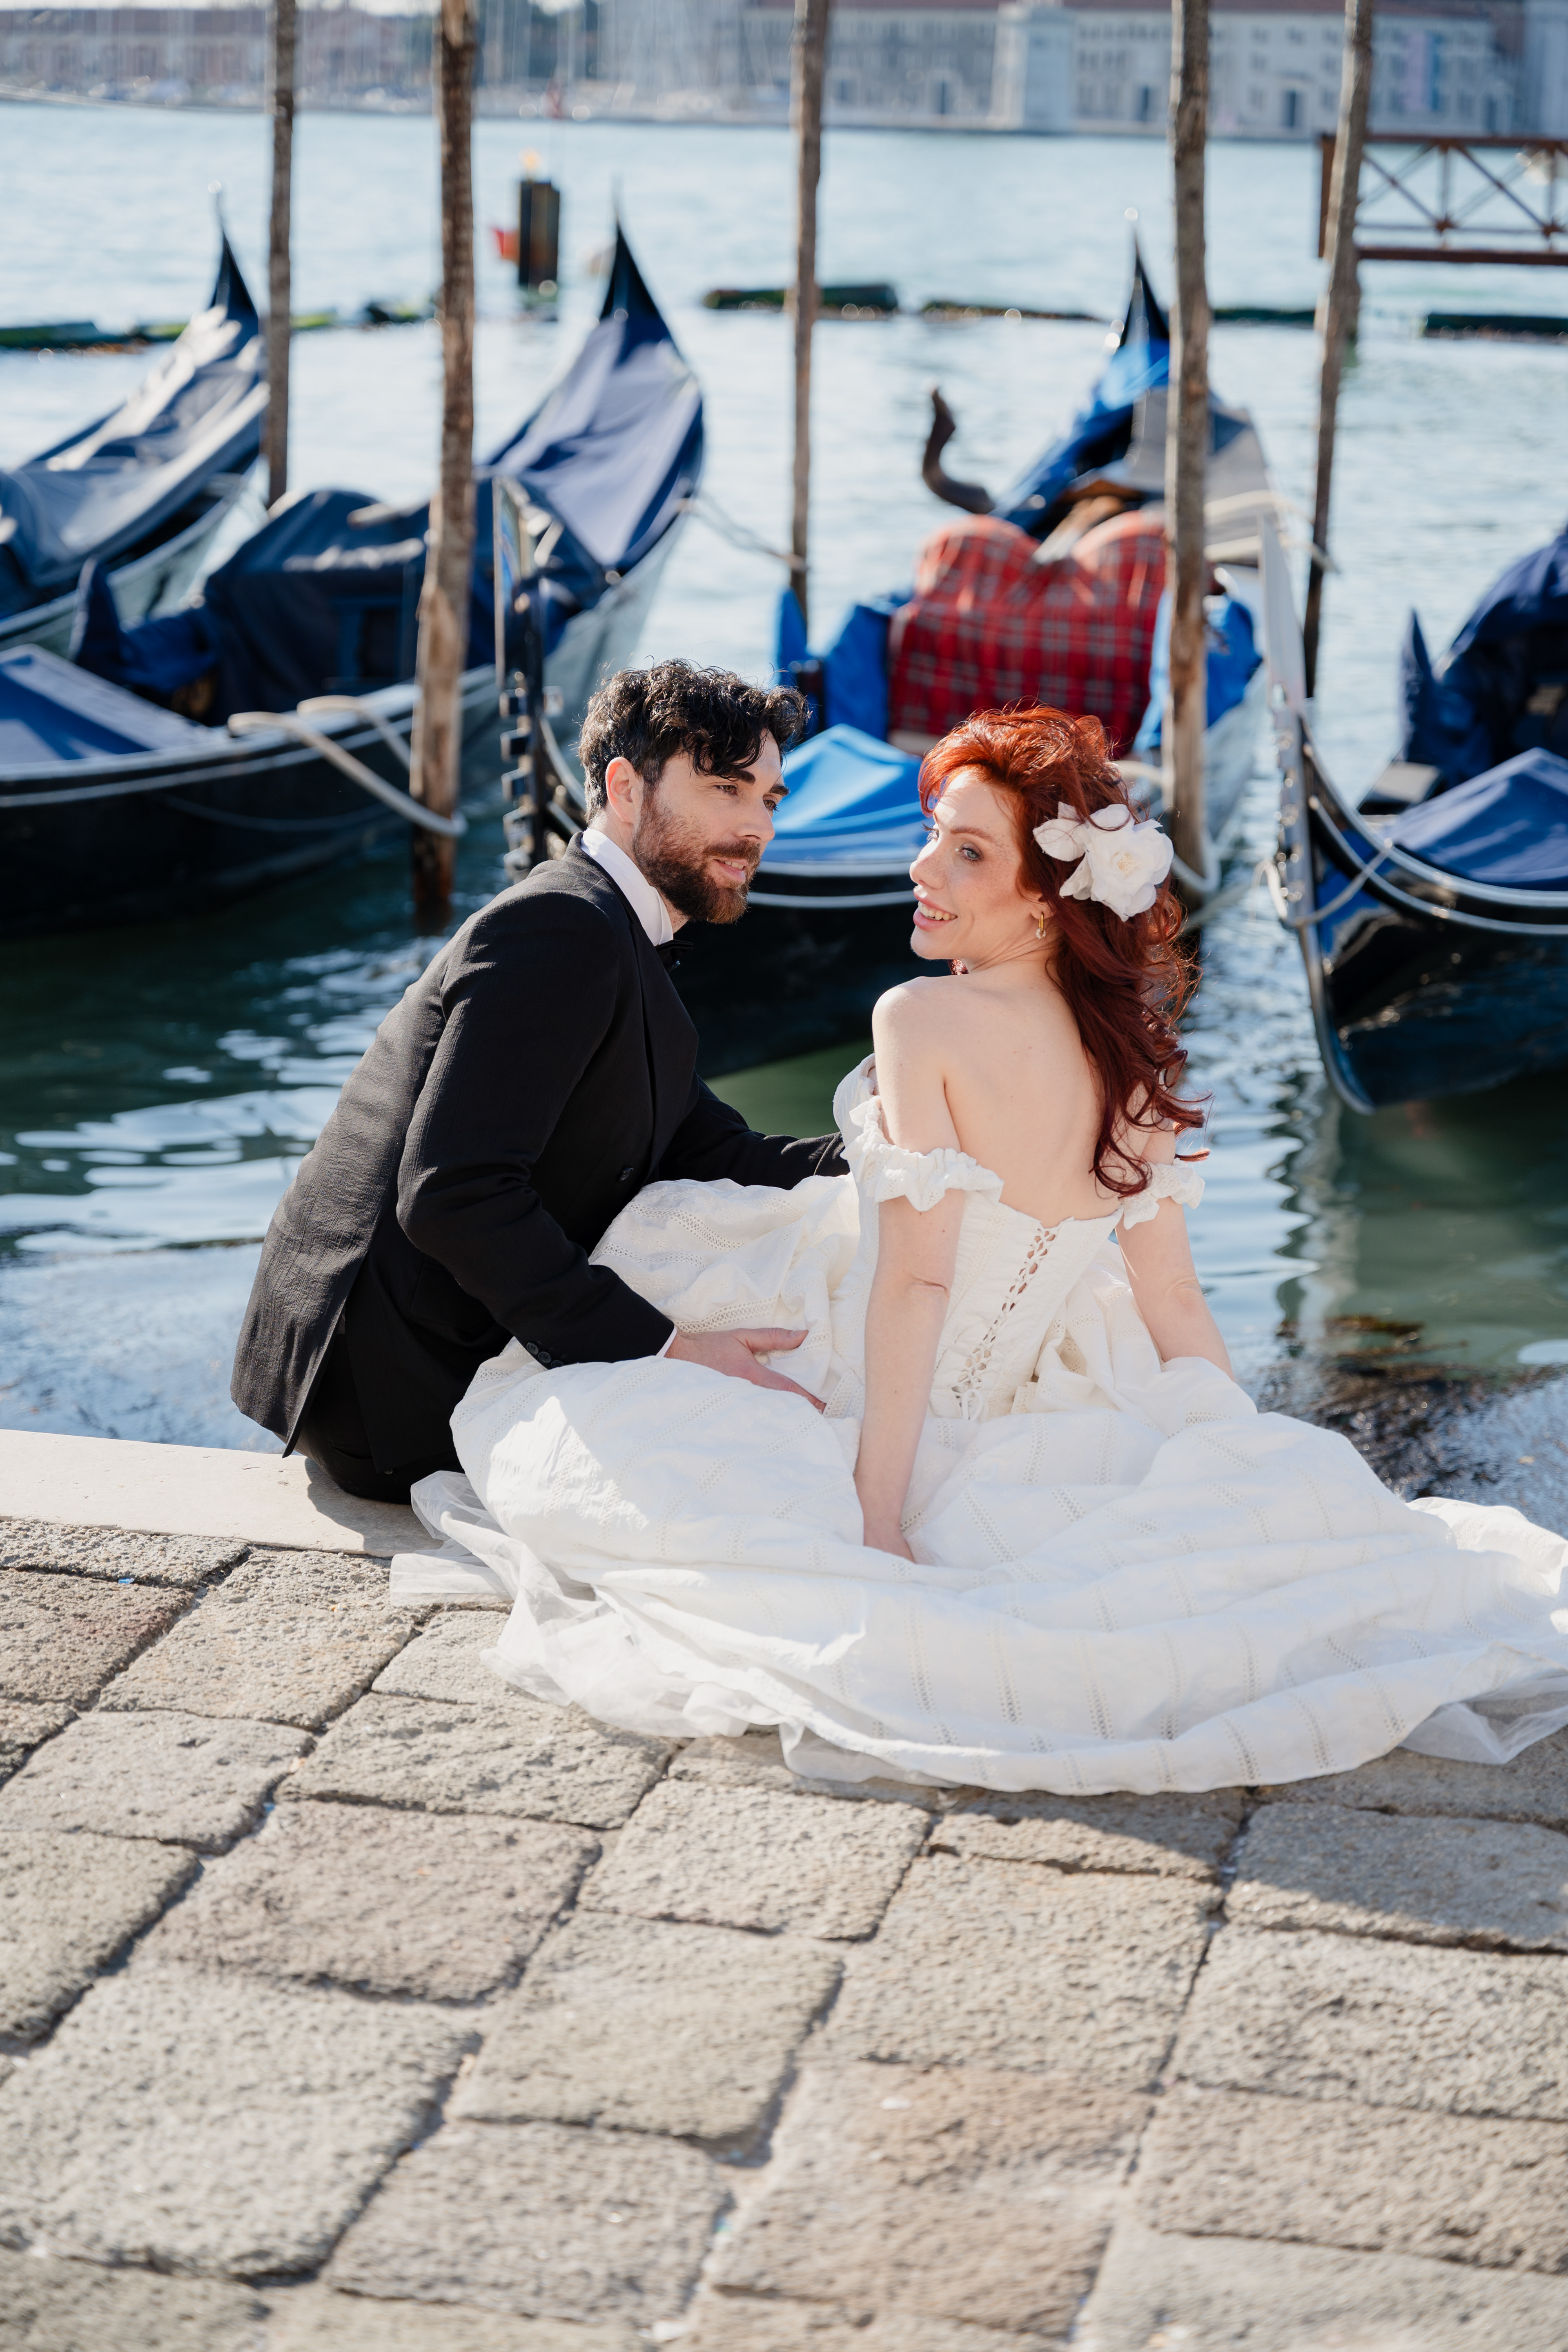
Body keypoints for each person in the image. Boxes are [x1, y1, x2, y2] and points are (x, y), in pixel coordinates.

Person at [396, 702, 1568, 1798]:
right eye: (932, 840)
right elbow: (1172, 1306)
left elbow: (915, 1280)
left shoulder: (922, 1019)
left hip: (881, 1382)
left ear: (1048, 899)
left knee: (639, 1285)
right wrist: (1242, 1455)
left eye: (966, 854)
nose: (922, 870)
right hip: (1008, 1389)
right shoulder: (1138, 1057)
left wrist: (879, 1511)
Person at [230, 662, 846, 1502]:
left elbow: (723, 1151)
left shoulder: (618, 937)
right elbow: (455, 1193)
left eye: (768, 799)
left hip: (424, 1345)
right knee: (774, 1452)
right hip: (391, 1389)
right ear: (627, 787)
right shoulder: (561, 928)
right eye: (727, 790)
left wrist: (905, 1144)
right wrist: (665, 1347)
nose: (756, 828)